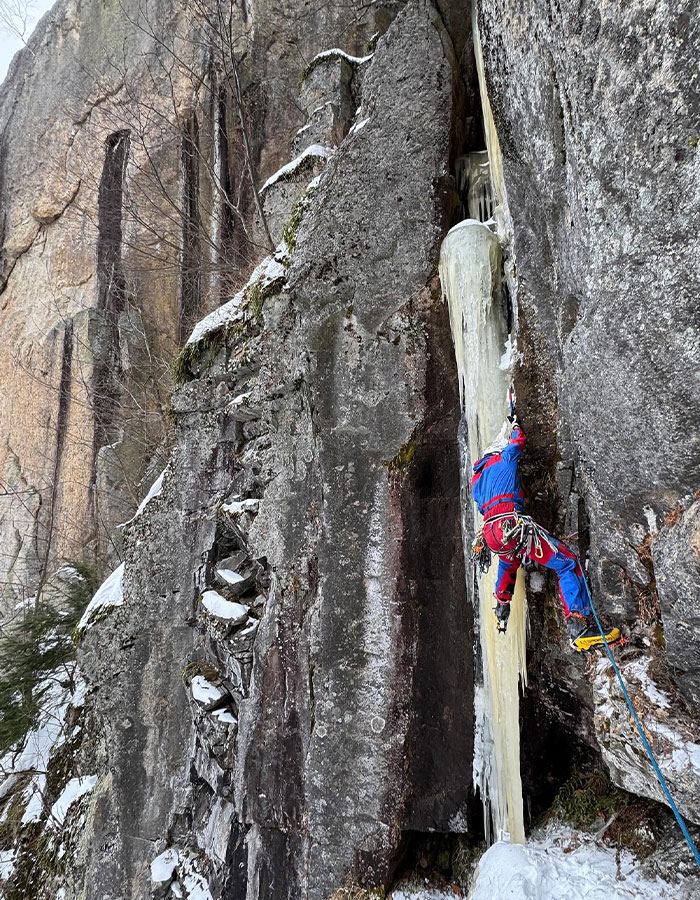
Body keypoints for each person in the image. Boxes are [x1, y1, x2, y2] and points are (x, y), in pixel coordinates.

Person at [471, 419, 621, 652]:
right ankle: (579, 624)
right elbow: (518, 441)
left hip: (492, 534)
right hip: (510, 524)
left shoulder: (477, 481)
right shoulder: (505, 457)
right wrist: (517, 426)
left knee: (509, 560)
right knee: (568, 563)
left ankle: (502, 603)